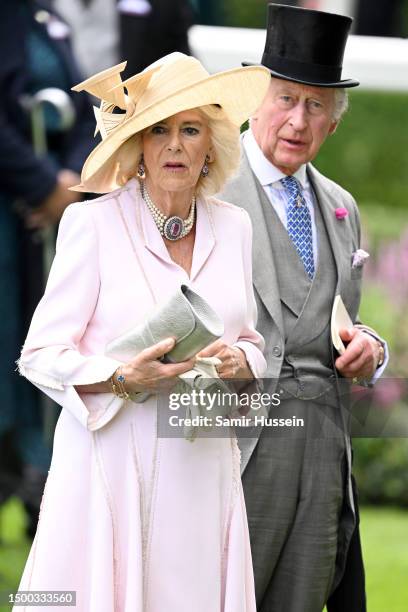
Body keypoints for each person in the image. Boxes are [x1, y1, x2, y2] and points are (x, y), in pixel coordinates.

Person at [15, 52, 270, 610]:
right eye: (158, 130)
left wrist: (242, 363)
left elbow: (250, 338)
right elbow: (39, 354)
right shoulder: (92, 224)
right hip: (110, 464)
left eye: (190, 129)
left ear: (211, 147)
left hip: (201, 462)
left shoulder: (235, 227)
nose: (174, 145)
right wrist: (122, 377)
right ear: (137, 148)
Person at [219, 4, 388, 611]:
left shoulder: (342, 206)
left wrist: (372, 350)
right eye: (285, 99)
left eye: (315, 105)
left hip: (323, 460)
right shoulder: (206, 189)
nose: (297, 119)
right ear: (254, 103)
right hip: (232, 453)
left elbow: (338, 322)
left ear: (333, 124)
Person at [0, 0, 94, 536]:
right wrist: (41, 184)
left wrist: (70, 179)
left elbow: (83, 109)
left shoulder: (42, 13)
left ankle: (42, 497)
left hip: (41, 231)